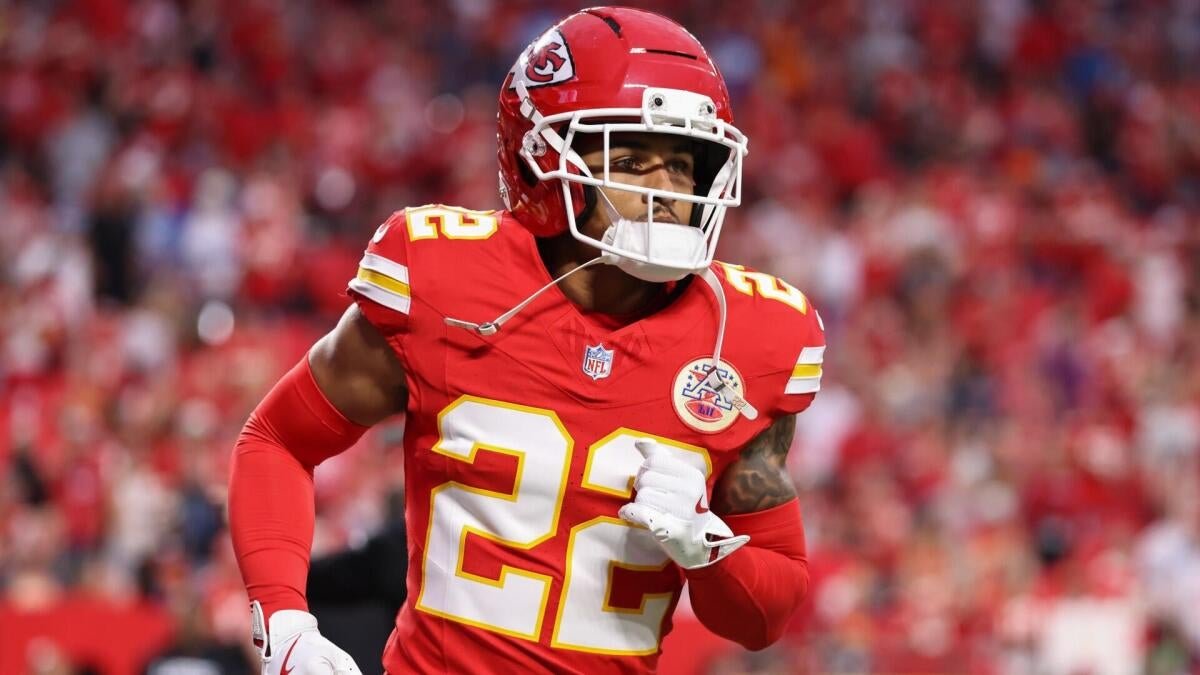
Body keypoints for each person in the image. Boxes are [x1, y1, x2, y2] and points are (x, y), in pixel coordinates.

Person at [227, 7, 825, 674]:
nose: (667, 192)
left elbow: (766, 613)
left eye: (684, 166)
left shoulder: (750, 337)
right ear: (541, 162)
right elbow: (277, 440)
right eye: (631, 160)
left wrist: (708, 548)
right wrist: (284, 620)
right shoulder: (447, 279)